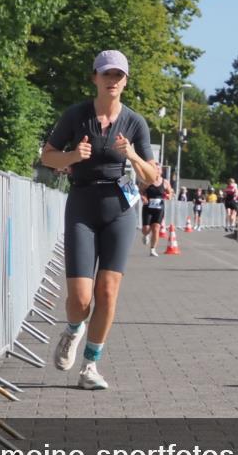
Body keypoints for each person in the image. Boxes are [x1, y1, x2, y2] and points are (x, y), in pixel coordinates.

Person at [40, 50, 159, 390]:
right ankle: (73, 329)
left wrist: (133, 154)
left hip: (120, 208)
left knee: (107, 291)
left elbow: (151, 177)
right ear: (95, 77)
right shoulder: (76, 115)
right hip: (82, 203)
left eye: (119, 76)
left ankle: (90, 365)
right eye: (107, 74)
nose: (113, 81)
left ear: (125, 81)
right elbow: (47, 156)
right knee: (80, 298)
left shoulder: (135, 123)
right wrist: (73, 155)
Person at [141, 169, 172, 256]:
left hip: (159, 208)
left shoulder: (165, 182)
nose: (156, 171)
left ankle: (152, 249)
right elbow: (141, 191)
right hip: (148, 207)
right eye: (155, 169)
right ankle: (146, 234)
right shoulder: (147, 181)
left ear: (161, 171)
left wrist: (169, 195)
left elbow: (170, 192)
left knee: (156, 228)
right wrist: (143, 197)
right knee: (146, 229)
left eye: (158, 169)